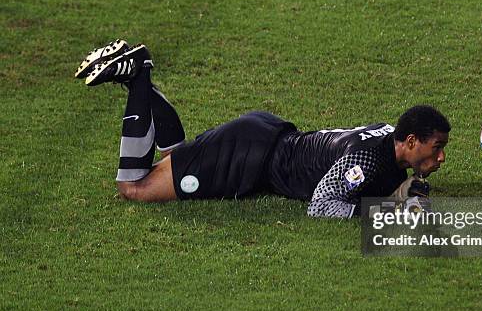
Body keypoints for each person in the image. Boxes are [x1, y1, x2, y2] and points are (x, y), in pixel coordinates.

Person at [75, 40, 450, 218]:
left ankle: (144, 74)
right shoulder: (366, 161)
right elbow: (322, 205)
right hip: (247, 159)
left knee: (178, 156)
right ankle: (138, 75)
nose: (440, 157)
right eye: (435, 149)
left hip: (264, 135)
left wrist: (404, 187)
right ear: (411, 140)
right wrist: (387, 211)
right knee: (135, 188)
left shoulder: (386, 134)